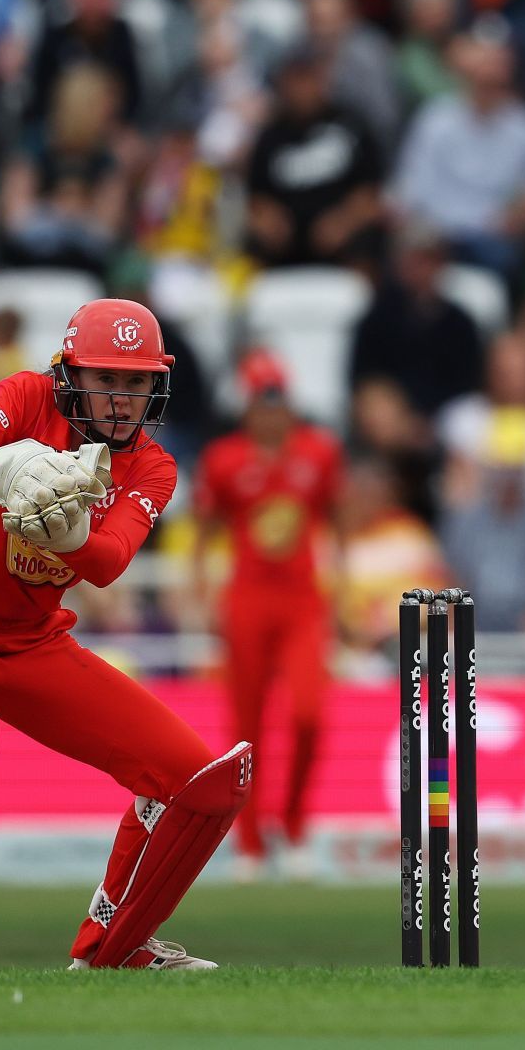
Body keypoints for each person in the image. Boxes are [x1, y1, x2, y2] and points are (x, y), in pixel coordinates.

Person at [0, 298, 249, 973]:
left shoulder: (154, 466)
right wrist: (0, 469)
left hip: (30, 644)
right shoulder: (29, 395)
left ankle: (114, 948)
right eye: (106, 379)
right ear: (69, 373)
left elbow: (110, 562)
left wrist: (75, 535)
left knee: (199, 779)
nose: (122, 399)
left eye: (136, 382)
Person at [193, 351, 348, 883]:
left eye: (279, 399)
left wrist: (341, 586)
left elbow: (336, 518)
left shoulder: (319, 453)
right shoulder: (224, 460)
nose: (272, 412)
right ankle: (251, 842)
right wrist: (203, 594)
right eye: (263, 400)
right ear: (248, 407)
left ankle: (296, 826)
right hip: (248, 602)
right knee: (246, 727)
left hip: (303, 602)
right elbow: (205, 529)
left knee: (309, 714)